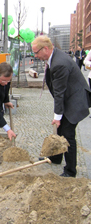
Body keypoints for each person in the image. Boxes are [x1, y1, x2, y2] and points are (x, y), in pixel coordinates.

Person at [32, 35, 91, 178]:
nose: (35, 56)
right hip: (69, 98)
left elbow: (60, 93)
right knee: (60, 130)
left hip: (75, 101)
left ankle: (70, 171)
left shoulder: (59, 63)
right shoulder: (54, 56)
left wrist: (57, 117)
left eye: (37, 52)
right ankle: (56, 158)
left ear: (46, 48)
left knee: (67, 135)